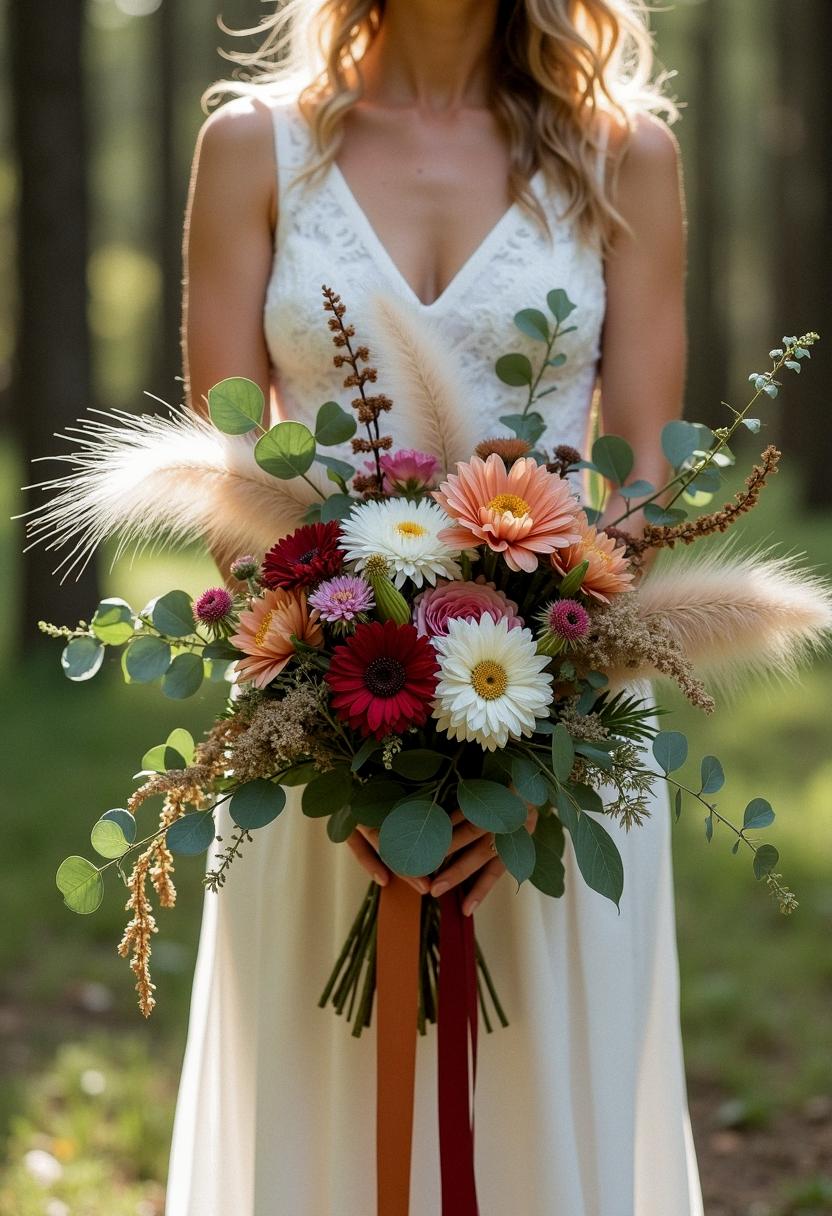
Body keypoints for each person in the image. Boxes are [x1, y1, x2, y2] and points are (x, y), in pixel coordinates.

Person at [167, 1, 703, 1212]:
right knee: (319, 1110)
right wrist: (347, 728)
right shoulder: (256, 146)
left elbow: (638, 478)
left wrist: (527, 743)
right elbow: (230, 465)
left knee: (539, 1121)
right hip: (315, 731)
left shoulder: (626, 155)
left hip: (560, 727)